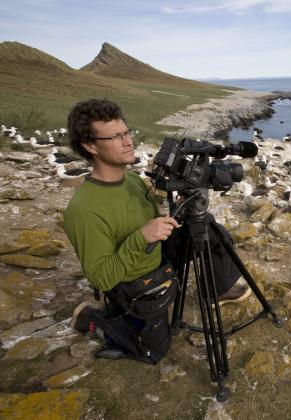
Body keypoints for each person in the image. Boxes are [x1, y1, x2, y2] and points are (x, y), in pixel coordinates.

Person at [63, 98, 250, 363]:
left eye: (126, 132)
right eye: (116, 137)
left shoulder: (130, 179)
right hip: (134, 282)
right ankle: (94, 319)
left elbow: (149, 219)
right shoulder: (84, 210)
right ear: (90, 145)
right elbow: (102, 279)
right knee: (154, 352)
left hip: (158, 254)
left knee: (212, 232)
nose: (128, 141)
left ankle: (216, 291)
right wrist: (141, 237)